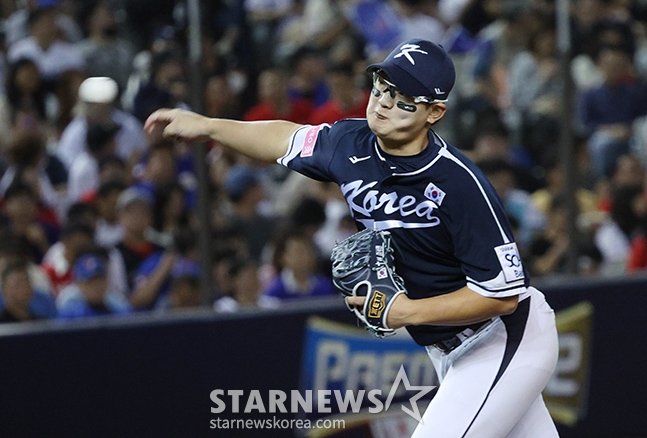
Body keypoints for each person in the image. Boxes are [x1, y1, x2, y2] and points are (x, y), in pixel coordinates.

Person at [145, 38, 559, 436]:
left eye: (404, 101)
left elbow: (502, 294)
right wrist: (209, 126)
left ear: (433, 112)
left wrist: (406, 312)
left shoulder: (459, 183)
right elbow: (283, 139)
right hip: (450, 350)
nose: (384, 103)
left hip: (504, 336)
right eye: (382, 88)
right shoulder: (350, 143)